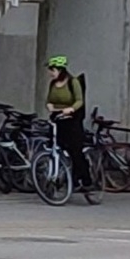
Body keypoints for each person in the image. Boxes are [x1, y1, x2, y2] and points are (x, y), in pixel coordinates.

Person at [44, 56, 93, 193]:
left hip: (71, 119)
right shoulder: (53, 84)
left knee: (75, 150)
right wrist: (49, 105)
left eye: (52, 70)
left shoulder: (73, 82)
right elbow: (49, 98)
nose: (50, 73)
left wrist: (71, 108)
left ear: (60, 70)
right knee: (55, 146)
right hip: (57, 117)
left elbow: (79, 100)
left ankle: (85, 179)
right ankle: (62, 174)